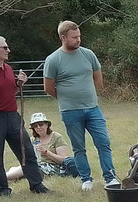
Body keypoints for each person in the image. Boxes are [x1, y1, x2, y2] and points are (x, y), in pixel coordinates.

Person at [43, 20, 116, 191]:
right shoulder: (53, 60)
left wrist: (89, 95)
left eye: (79, 36)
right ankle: (86, 179)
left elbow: (98, 77)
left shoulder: (88, 54)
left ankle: (110, 177)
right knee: (78, 147)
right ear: (63, 38)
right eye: (74, 37)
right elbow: (48, 87)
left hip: (92, 108)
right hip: (70, 111)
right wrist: (66, 99)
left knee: (103, 142)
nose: (78, 40)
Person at [0, 35, 49, 197]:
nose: (9, 50)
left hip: (12, 116)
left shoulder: (7, 68)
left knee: (26, 150)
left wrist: (19, 84)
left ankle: (37, 185)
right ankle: (3, 190)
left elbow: (10, 92)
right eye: (5, 48)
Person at [7, 112, 79, 182]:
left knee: (25, 169)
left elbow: (63, 160)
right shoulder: (32, 140)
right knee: (13, 168)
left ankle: (1, 178)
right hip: (36, 165)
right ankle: (7, 178)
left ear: (47, 125)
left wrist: (46, 152)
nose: (38, 127)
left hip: (53, 167)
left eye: (41, 125)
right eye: (35, 126)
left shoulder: (56, 137)